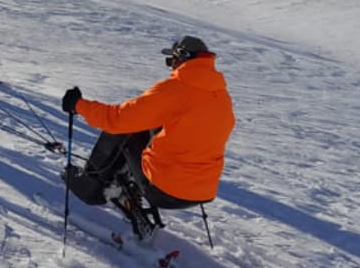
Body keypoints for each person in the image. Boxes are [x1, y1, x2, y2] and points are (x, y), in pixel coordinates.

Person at [61, 36, 235, 237]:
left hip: (166, 189)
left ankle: (90, 187)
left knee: (123, 130)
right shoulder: (220, 95)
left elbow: (117, 120)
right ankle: (126, 185)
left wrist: (78, 105)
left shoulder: (176, 89)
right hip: (203, 190)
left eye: (171, 61)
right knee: (150, 127)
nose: (170, 67)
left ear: (182, 58)